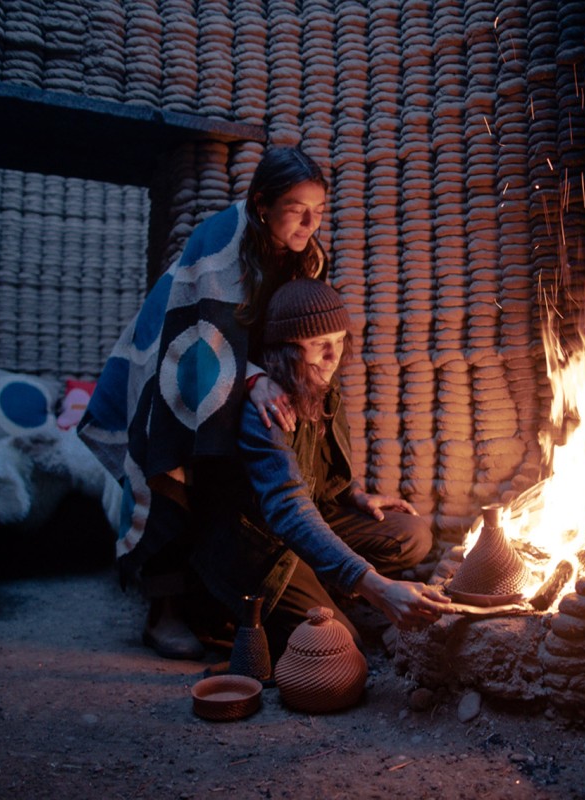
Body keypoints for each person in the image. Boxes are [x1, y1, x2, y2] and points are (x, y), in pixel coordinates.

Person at [78, 147, 340, 658]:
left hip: (232, 370)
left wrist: (269, 373)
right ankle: (163, 612)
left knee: (233, 478)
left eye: (319, 210)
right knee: (174, 469)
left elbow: (293, 327)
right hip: (173, 364)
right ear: (262, 204)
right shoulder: (220, 243)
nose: (310, 221)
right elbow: (200, 336)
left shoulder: (307, 255)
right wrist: (253, 378)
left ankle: (214, 594)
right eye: (296, 208)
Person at [190, 279, 453, 657]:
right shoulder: (265, 410)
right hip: (260, 547)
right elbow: (288, 510)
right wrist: (378, 589)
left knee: (412, 535)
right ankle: (242, 609)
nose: (333, 355)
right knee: (343, 649)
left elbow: (324, 468)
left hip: (305, 526)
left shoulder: (320, 386)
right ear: (286, 348)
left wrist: (356, 493)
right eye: (318, 345)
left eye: (340, 339)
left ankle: (323, 579)